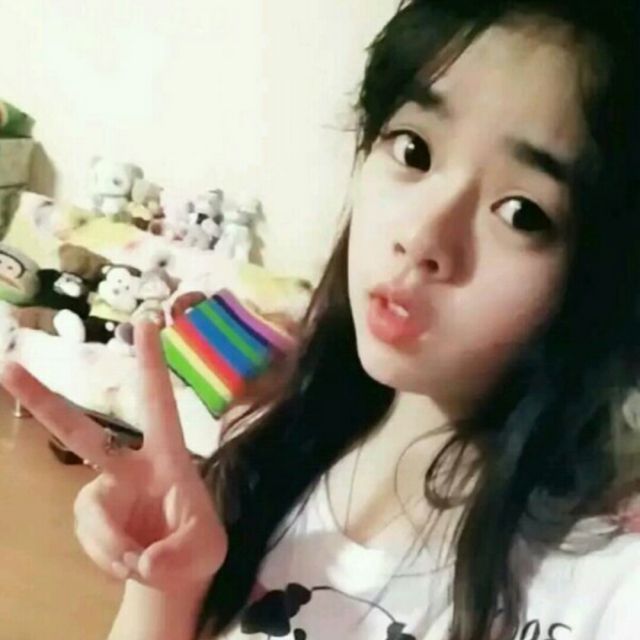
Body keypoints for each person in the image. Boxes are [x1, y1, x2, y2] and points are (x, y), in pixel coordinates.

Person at [4, 0, 640, 638]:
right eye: (413, 149)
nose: (421, 236)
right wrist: (165, 583)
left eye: (522, 212)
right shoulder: (273, 438)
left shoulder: (604, 583)